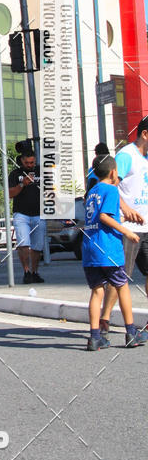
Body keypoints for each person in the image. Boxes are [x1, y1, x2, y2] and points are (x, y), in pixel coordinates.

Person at [82, 155, 146, 349]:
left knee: (97, 291)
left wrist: (126, 220)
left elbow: (102, 218)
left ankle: (95, 337)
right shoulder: (111, 190)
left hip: (91, 249)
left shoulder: (92, 191)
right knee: (122, 286)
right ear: (113, 173)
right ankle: (131, 332)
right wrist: (127, 232)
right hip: (108, 249)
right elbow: (104, 217)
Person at [99, 118, 148, 338]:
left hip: (146, 225)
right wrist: (125, 207)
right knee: (120, 277)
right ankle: (104, 321)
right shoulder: (127, 155)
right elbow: (109, 186)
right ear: (145, 134)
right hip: (127, 228)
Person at [8, 143, 46, 284]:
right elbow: (10, 194)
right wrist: (22, 184)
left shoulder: (42, 172)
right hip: (21, 214)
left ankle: (35, 272)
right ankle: (26, 271)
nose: (30, 165)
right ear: (22, 161)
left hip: (39, 214)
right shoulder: (15, 174)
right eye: (27, 163)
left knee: (37, 246)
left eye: (32, 163)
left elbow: (51, 189)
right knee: (23, 244)